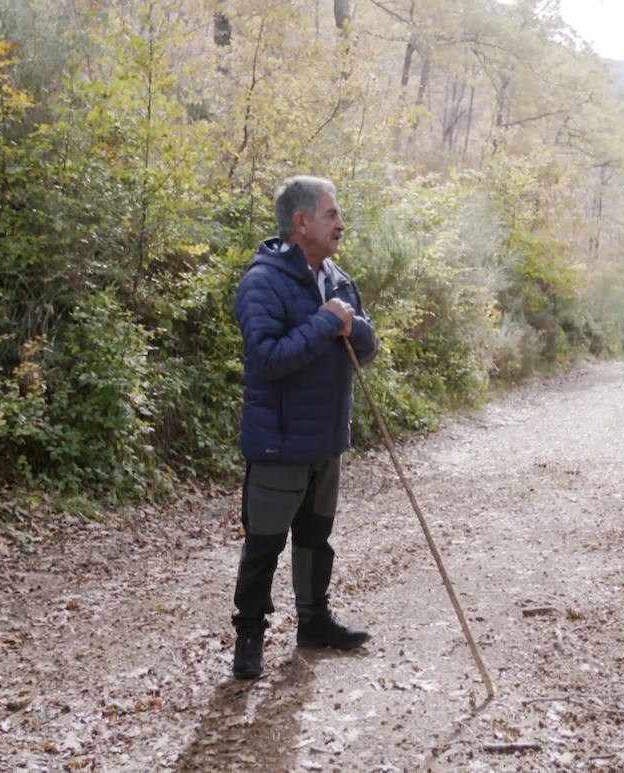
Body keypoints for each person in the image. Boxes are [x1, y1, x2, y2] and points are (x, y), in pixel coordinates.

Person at [229, 175, 379, 680]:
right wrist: (324, 323)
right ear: (301, 223)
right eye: (331, 214)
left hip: (326, 441)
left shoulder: (337, 279)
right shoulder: (262, 282)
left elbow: (368, 344)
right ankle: (249, 637)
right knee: (264, 544)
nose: (340, 223)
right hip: (278, 443)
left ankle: (314, 623)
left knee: (317, 538)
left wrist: (350, 326)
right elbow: (268, 358)